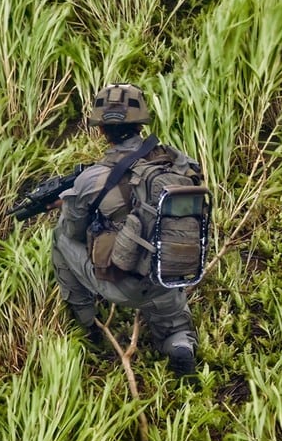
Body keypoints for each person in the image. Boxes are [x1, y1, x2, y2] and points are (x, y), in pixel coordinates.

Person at [50, 83, 198, 376]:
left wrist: (70, 205)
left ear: (101, 130)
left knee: (59, 236)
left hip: (121, 284)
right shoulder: (176, 162)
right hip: (168, 277)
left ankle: (87, 322)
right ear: (141, 123)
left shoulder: (92, 179)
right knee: (176, 327)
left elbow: (74, 232)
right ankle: (180, 344)